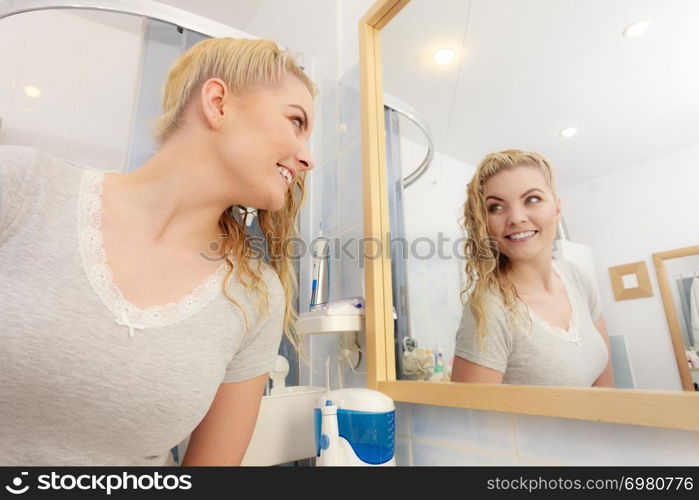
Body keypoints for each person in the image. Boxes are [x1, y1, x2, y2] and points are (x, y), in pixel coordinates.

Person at [0, 37, 315, 465]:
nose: (307, 159)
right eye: (295, 121)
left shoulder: (255, 295)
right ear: (218, 103)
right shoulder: (21, 186)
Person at [451, 150, 614, 387]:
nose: (516, 218)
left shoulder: (576, 277)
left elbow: (607, 394)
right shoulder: (488, 310)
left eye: (532, 199)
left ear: (557, 208)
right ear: (484, 224)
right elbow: (473, 421)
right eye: (496, 207)